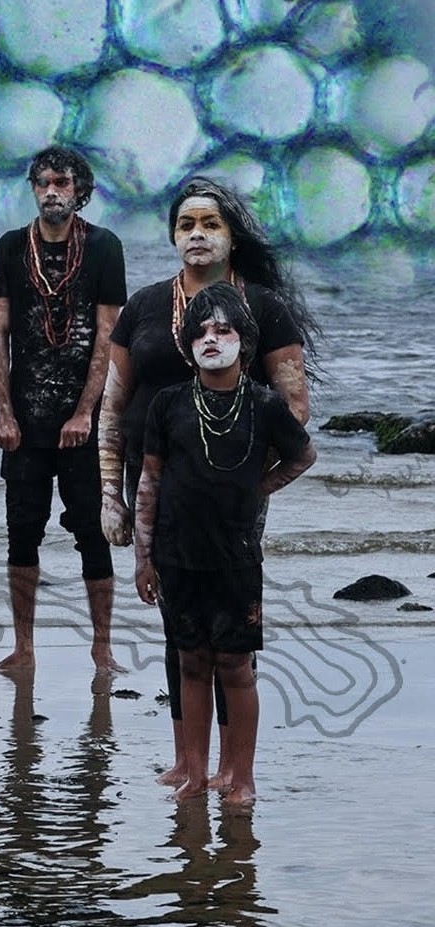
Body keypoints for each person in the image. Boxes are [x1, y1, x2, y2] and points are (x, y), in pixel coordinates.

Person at [97, 175, 315, 789]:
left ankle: (233, 768)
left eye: (211, 224)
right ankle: (187, 760)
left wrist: (253, 486)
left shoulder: (263, 308)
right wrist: (109, 493)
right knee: (180, 629)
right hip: (157, 486)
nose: (197, 235)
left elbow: (294, 409)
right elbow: (113, 408)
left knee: (230, 637)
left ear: (231, 236)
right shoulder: (143, 305)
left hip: (232, 490)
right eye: (186, 226)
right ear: (172, 236)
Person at [132, 282, 316, 806]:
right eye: (201, 332)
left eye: (223, 330)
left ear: (245, 341)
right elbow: (148, 484)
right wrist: (144, 557)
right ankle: (194, 770)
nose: (211, 340)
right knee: (191, 661)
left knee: (235, 664)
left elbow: (303, 458)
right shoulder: (168, 405)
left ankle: (242, 775)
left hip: (235, 557)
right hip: (177, 555)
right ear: (187, 344)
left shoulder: (263, 405)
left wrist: (259, 486)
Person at [0, 147, 128, 674]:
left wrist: (86, 413)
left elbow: (109, 336)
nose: (51, 191)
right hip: (25, 421)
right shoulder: (10, 247)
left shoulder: (105, 248)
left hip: (81, 424)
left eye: (62, 182)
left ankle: (103, 647)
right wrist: (3, 412)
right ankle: (23, 647)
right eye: (42, 182)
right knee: (21, 532)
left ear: (79, 190)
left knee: (92, 530)